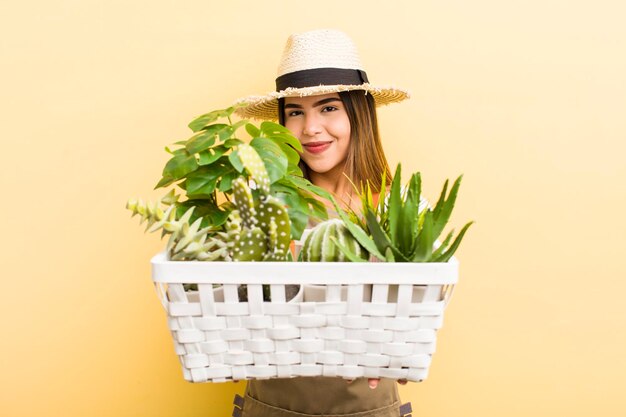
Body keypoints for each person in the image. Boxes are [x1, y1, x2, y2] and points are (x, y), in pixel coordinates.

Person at [233, 29, 413, 417]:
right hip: (271, 406)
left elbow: (415, 317)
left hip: (369, 410)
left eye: (328, 108)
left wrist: (406, 346)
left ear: (358, 112)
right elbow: (238, 307)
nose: (310, 128)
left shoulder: (396, 210)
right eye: (295, 112)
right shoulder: (266, 202)